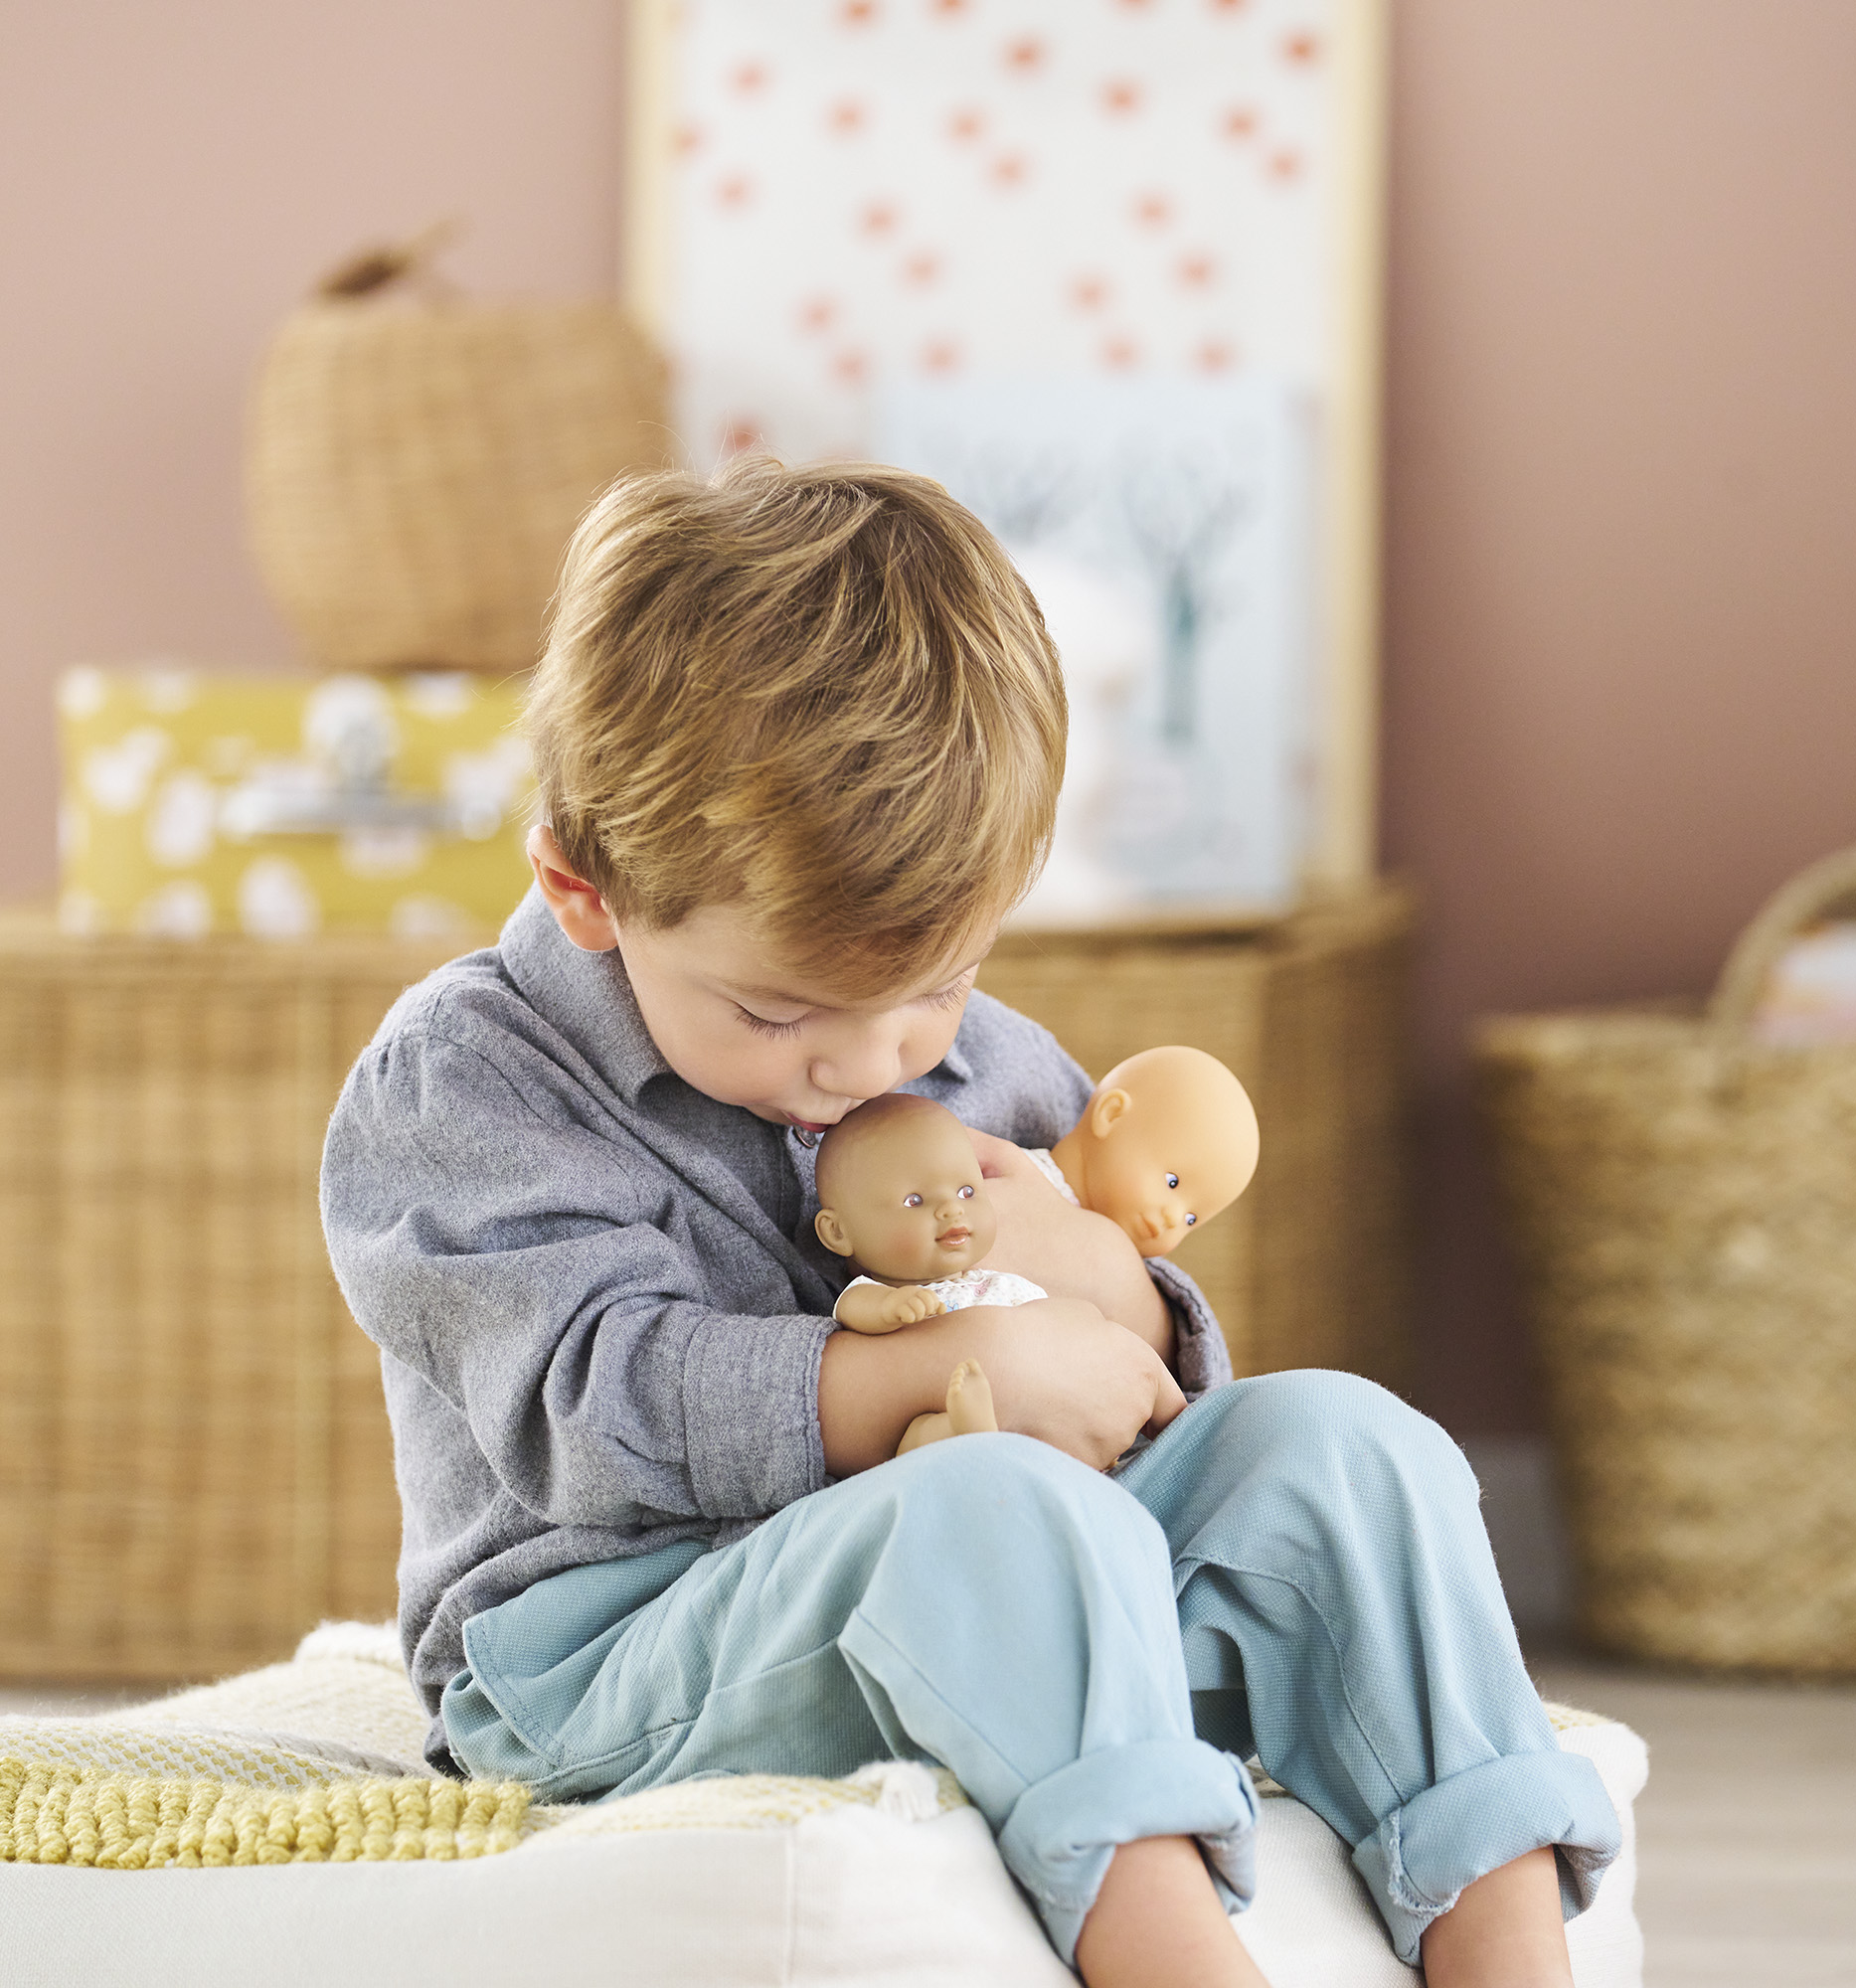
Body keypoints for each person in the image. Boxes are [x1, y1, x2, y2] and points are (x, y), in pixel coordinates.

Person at [321, 458, 1619, 1988]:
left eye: (933, 988)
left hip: (1017, 1570)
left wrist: (1106, 1291)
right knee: (1001, 1510)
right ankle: (1167, 1944)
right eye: (781, 1012)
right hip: (610, 1645)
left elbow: (1140, 1391)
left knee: (1353, 1447)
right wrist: (929, 1383)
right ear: (588, 889)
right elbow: (587, 1410)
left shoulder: (966, 1052)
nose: (876, 1061)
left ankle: (1506, 1936)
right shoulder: (466, 1082)